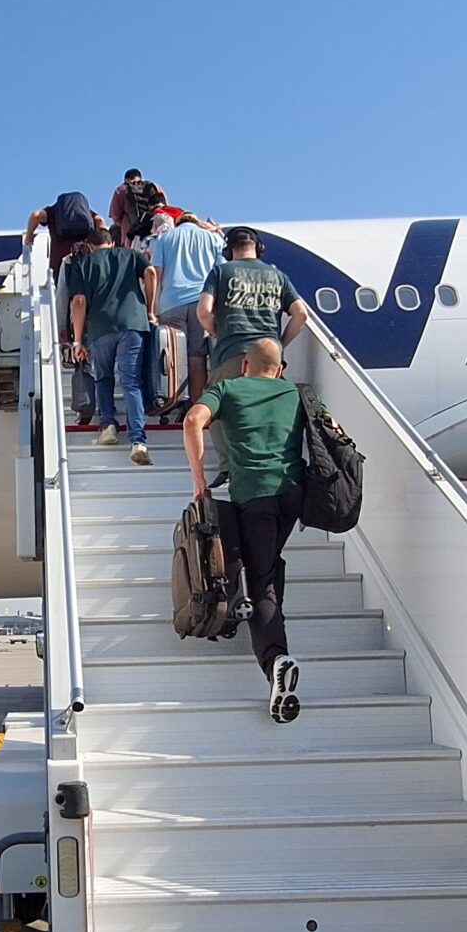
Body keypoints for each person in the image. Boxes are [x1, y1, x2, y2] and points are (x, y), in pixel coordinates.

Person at [183, 338, 305, 723]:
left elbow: (192, 420)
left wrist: (199, 477)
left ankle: (275, 659)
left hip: (253, 494)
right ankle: (249, 602)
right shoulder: (295, 393)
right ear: (280, 368)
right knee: (268, 564)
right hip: (293, 494)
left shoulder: (229, 388)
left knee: (262, 576)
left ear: (246, 366)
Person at [195, 226, 310, 475]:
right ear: (258, 248)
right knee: (266, 413)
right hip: (268, 360)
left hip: (231, 351)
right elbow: (301, 314)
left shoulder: (221, 271)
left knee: (219, 410)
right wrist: (277, 345)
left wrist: (216, 330)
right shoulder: (277, 276)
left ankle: (229, 468)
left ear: (228, 251)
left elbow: (203, 311)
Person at [66, 224, 154, 463]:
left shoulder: (84, 265)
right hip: (133, 325)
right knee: (132, 382)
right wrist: (150, 309)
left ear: (89, 247)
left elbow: (79, 302)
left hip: (100, 330)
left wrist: (77, 340)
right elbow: (151, 273)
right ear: (112, 243)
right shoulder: (130, 255)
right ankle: (138, 441)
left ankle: (108, 426)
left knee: (103, 378)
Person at [146, 214, 223, 409]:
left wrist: (152, 308)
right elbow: (221, 271)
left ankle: (172, 401)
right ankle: (196, 405)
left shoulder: (165, 238)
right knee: (197, 357)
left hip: (171, 303)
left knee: (172, 356)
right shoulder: (212, 239)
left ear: (178, 223)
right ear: (197, 224)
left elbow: (157, 273)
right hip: (202, 303)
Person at [22, 190, 97, 275]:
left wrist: (29, 236)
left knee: (62, 287)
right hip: (85, 260)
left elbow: (36, 215)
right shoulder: (86, 213)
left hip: (60, 263)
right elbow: (100, 220)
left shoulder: (53, 211)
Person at [107, 169, 166, 249]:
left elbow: (115, 217)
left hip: (131, 235)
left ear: (126, 180)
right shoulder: (155, 186)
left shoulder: (121, 190)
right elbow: (165, 207)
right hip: (156, 231)